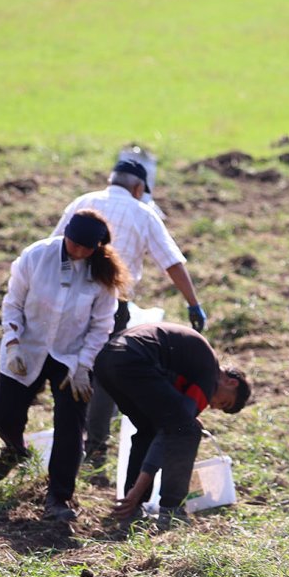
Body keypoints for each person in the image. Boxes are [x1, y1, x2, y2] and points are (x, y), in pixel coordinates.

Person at [52, 155, 206, 471]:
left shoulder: (83, 201)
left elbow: (55, 247)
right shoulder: (143, 212)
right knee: (104, 372)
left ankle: (67, 440)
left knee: (68, 365)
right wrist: (193, 303)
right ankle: (94, 447)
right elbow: (172, 262)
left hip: (69, 299)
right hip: (112, 304)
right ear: (138, 188)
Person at [0, 210, 128, 522]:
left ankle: (59, 498)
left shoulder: (103, 275)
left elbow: (101, 325)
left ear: (98, 246)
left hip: (70, 357)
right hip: (28, 348)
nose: (78, 251)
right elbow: (13, 303)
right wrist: (13, 343)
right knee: (3, 412)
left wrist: (84, 366)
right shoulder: (36, 256)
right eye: (74, 244)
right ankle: (14, 450)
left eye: (86, 247)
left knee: (71, 428)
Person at [97, 322, 252, 525]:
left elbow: (162, 428)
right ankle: (171, 512)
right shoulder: (209, 375)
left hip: (106, 359)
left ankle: (131, 511)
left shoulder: (195, 363)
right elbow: (175, 430)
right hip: (134, 359)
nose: (213, 406)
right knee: (188, 430)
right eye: (223, 402)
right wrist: (138, 491)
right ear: (231, 382)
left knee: (148, 430)